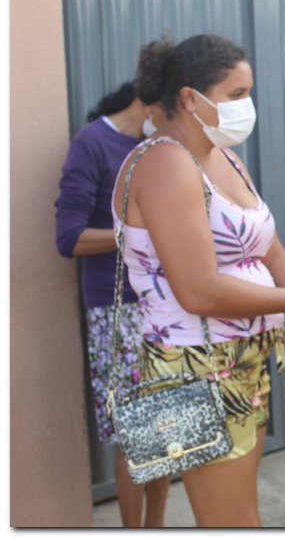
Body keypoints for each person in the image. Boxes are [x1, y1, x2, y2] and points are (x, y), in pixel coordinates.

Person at [116, 33, 285, 527]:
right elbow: (198, 289)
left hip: (244, 362)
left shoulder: (223, 157)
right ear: (189, 98)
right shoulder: (164, 163)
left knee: (243, 512)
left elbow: (272, 253)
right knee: (232, 522)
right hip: (193, 370)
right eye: (237, 95)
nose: (248, 107)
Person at [55, 83, 170, 527]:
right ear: (148, 102)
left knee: (166, 431)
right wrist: (137, 235)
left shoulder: (156, 145)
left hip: (165, 305)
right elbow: (68, 238)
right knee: (136, 435)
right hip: (118, 310)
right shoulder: (93, 144)